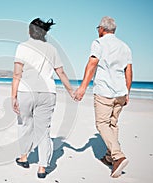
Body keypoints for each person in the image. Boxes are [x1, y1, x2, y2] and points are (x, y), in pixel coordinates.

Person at [12, 18, 74, 179]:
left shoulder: (22, 47)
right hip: (47, 93)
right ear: (44, 32)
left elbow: (17, 74)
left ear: (30, 32)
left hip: (26, 92)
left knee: (25, 125)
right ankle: (42, 167)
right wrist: (71, 92)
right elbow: (61, 73)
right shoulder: (52, 49)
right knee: (44, 131)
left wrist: (13, 96)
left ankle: (24, 158)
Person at [74, 16, 133, 178]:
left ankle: (117, 156)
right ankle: (109, 157)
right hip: (120, 92)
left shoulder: (98, 43)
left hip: (105, 92)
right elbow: (128, 70)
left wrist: (82, 88)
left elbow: (92, 64)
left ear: (102, 29)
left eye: (97, 28)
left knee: (102, 124)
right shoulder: (125, 46)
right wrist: (127, 91)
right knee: (112, 124)